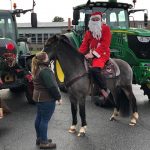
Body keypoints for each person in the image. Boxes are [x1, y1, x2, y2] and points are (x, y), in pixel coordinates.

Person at [31, 51, 61, 149]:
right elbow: (51, 87)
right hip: (46, 99)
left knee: (39, 118)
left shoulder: (37, 68)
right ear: (44, 59)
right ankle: (44, 142)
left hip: (38, 98)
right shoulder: (45, 71)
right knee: (44, 120)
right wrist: (58, 97)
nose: (49, 58)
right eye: (47, 57)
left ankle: (40, 138)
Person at [79, 12, 112, 100]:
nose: (95, 21)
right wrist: (79, 54)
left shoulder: (106, 29)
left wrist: (93, 54)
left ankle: (104, 89)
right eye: (93, 19)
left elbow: (105, 44)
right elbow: (84, 44)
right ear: (90, 21)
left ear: (100, 19)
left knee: (95, 69)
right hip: (91, 53)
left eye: (97, 19)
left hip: (102, 54)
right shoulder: (89, 31)